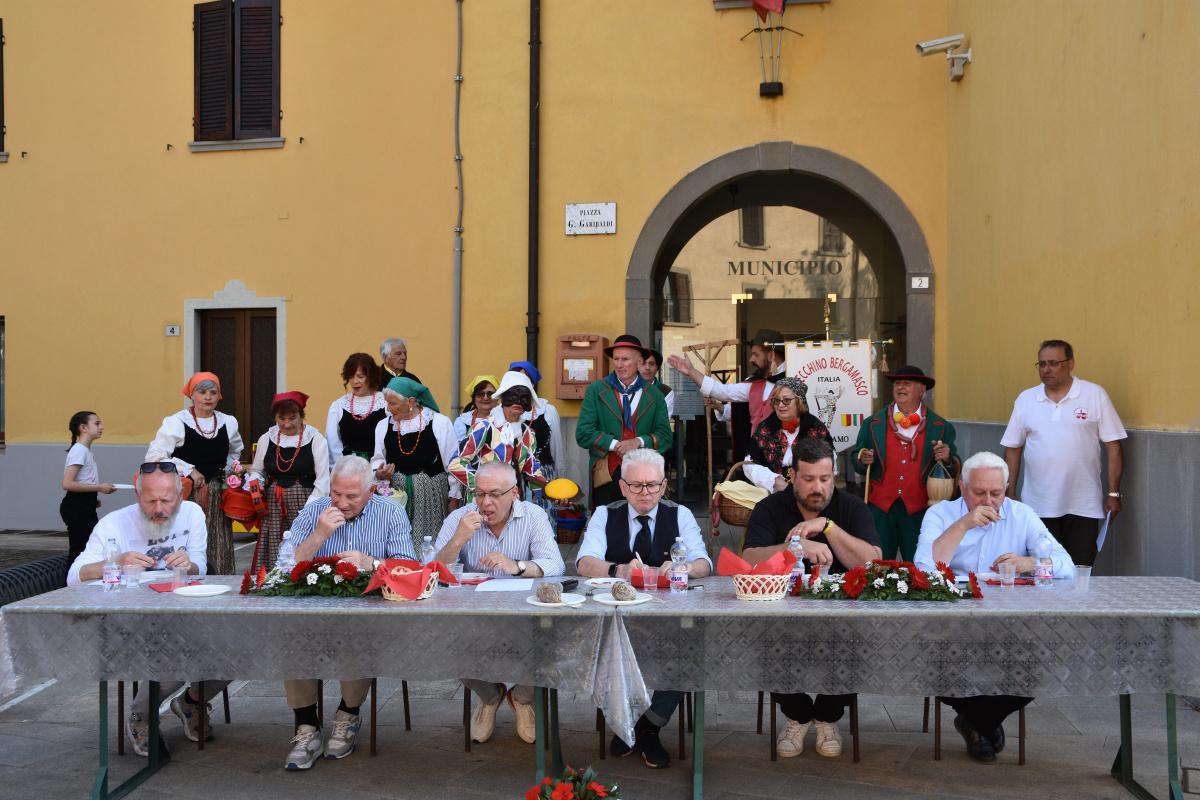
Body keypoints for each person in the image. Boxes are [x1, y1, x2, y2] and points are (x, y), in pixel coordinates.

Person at [915, 451, 1075, 763]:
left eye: (996, 493)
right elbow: (923, 571)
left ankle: (976, 722)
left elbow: (1066, 566)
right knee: (938, 664)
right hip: (952, 624)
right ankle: (984, 723)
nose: (988, 501)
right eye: (979, 493)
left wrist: (1029, 562)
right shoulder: (940, 514)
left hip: (1010, 624)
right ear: (962, 488)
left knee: (1041, 662)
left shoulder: (1022, 514)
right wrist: (962, 525)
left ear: (1006, 488)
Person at [67, 464, 228, 754]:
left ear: (180, 494)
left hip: (183, 609)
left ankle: (191, 701)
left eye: (167, 501)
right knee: (174, 653)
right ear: (138, 495)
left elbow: (201, 566)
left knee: (241, 645)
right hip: (131, 618)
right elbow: (73, 575)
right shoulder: (114, 524)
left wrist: (188, 565)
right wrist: (114, 561)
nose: (159, 508)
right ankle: (141, 715)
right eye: (150, 500)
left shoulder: (192, 513)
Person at [742, 438, 881, 759]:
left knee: (863, 640)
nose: (818, 487)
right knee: (757, 639)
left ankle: (828, 717)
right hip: (779, 614)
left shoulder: (851, 507)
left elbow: (873, 561)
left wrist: (829, 528)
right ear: (792, 475)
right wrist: (794, 549)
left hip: (843, 617)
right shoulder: (771, 507)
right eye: (808, 479)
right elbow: (749, 558)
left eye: (825, 478)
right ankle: (799, 714)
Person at [576, 448, 711, 768]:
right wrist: (617, 570)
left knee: (691, 650)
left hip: (670, 618)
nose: (645, 492)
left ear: (664, 486)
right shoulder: (604, 514)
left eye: (652, 485)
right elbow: (583, 562)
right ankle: (623, 720)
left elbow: (704, 564)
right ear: (622, 487)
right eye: (636, 485)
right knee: (598, 647)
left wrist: (680, 568)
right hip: (615, 617)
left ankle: (648, 726)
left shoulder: (680, 514)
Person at [282, 455, 416, 770]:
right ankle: (306, 727)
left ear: (371, 491)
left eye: (351, 496)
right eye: (336, 494)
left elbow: (408, 569)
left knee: (359, 629)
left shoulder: (391, 513)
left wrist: (371, 562)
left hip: (368, 606)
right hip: (314, 607)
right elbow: (284, 566)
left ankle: (347, 715)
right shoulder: (315, 511)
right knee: (288, 629)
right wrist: (319, 536)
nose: (341, 503)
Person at [435, 461, 565, 745]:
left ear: (515, 493)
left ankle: (521, 698)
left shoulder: (533, 516)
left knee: (554, 638)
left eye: (495, 494)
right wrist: (458, 539)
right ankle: (490, 696)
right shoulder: (461, 517)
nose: (486, 502)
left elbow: (555, 565)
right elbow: (430, 571)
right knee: (441, 640)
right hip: (473, 614)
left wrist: (517, 565)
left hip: (524, 612)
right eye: (480, 494)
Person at [1001, 339, 1126, 566]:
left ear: (1070, 364)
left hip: (1083, 503)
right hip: (1037, 505)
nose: (1046, 369)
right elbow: (1012, 449)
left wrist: (1114, 494)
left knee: (1079, 570)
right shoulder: (1026, 399)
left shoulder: (1094, 395)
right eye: (1041, 364)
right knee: (1041, 571)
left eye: (1053, 363)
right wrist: (1009, 494)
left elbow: (1114, 447)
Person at [853, 366, 959, 561]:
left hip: (921, 509)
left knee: (920, 566)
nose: (900, 387)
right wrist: (862, 458)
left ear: (922, 390)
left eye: (907, 383)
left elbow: (954, 466)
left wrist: (947, 458)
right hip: (881, 509)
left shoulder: (941, 427)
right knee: (878, 567)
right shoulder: (872, 423)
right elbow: (856, 457)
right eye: (897, 383)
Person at [146, 372, 243, 574]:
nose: (208, 397)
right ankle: (183, 579)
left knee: (217, 540)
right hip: (186, 494)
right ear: (192, 395)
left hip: (216, 494)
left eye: (213, 392)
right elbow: (155, 455)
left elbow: (234, 452)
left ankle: (220, 580)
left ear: (219, 396)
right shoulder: (177, 422)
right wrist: (189, 469)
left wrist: (230, 473)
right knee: (188, 537)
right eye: (202, 392)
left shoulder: (228, 422)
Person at [576, 334, 672, 508]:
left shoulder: (655, 395)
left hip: (644, 475)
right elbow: (583, 433)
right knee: (607, 525)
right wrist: (615, 445)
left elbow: (665, 436)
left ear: (640, 362)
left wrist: (638, 442)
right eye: (616, 359)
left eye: (625, 359)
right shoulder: (596, 390)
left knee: (643, 525)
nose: (619, 365)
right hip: (607, 472)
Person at [370, 376, 459, 552]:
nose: (389, 408)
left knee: (430, 546)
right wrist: (379, 473)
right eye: (387, 403)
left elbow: (453, 465)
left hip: (431, 500)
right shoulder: (383, 426)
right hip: (397, 500)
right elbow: (377, 459)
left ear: (410, 401)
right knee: (398, 546)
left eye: (393, 403)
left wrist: (454, 498)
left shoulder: (439, 423)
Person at [668, 328, 786, 459]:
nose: (751, 360)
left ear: (771, 356)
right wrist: (692, 372)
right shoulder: (754, 383)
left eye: (756, 355)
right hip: (756, 458)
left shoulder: (794, 380)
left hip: (784, 457)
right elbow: (724, 391)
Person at [247, 392, 330, 572]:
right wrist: (256, 483)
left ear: (301, 416)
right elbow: (257, 470)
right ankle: (272, 582)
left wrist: (308, 511)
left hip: (305, 503)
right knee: (274, 546)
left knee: (304, 544)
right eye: (281, 418)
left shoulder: (315, 439)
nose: (287, 424)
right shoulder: (266, 438)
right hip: (274, 506)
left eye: (292, 418)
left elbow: (323, 480)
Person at [448, 371, 546, 502]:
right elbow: (456, 463)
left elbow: (532, 472)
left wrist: (552, 492)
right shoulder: (485, 427)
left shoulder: (528, 434)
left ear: (528, 404)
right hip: (483, 504)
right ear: (503, 399)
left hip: (512, 504)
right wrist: (483, 485)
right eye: (512, 396)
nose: (517, 402)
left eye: (523, 398)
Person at [742, 378, 833, 492]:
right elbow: (748, 464)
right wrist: (774, 481)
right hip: (773, 495)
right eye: (776, 400)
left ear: (799, 402)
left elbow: (830, 465)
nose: (780, 405)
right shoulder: (765, 428)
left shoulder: (815, 428)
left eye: (786, 400)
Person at [60, 410, 117, 562]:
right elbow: (67, 483)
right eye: (97, 423)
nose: (102, 427)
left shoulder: (84, 450)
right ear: (83, 428)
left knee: (89, 548)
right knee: (80, 551)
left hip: (84, 505)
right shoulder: (79, 450)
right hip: (76, 507)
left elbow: (83, 480)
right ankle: (71, 582)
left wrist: (92, 498)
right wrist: (99, 488)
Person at [325, 353, 388, 468]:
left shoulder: (386, 403)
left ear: (371, 376)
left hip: (379, 470)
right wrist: (343, 469)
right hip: (348, 471)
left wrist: (379, 470)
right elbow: (333, 444)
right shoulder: (338, 406)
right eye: (351, 376)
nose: (355, 381)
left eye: (360, 376)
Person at [453, 374, 500, 444]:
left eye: (490, 394)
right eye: (480, 394)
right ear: (474, 399)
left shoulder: (508, 418)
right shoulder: (462, 422)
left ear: (498, 397)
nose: (485, 398)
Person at [639, 349, 675, 419]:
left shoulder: (666, 391)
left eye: (651, 364)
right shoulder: (627, 388)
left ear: (657, 368)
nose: (647, 368)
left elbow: (663, 421)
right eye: (643, 363)